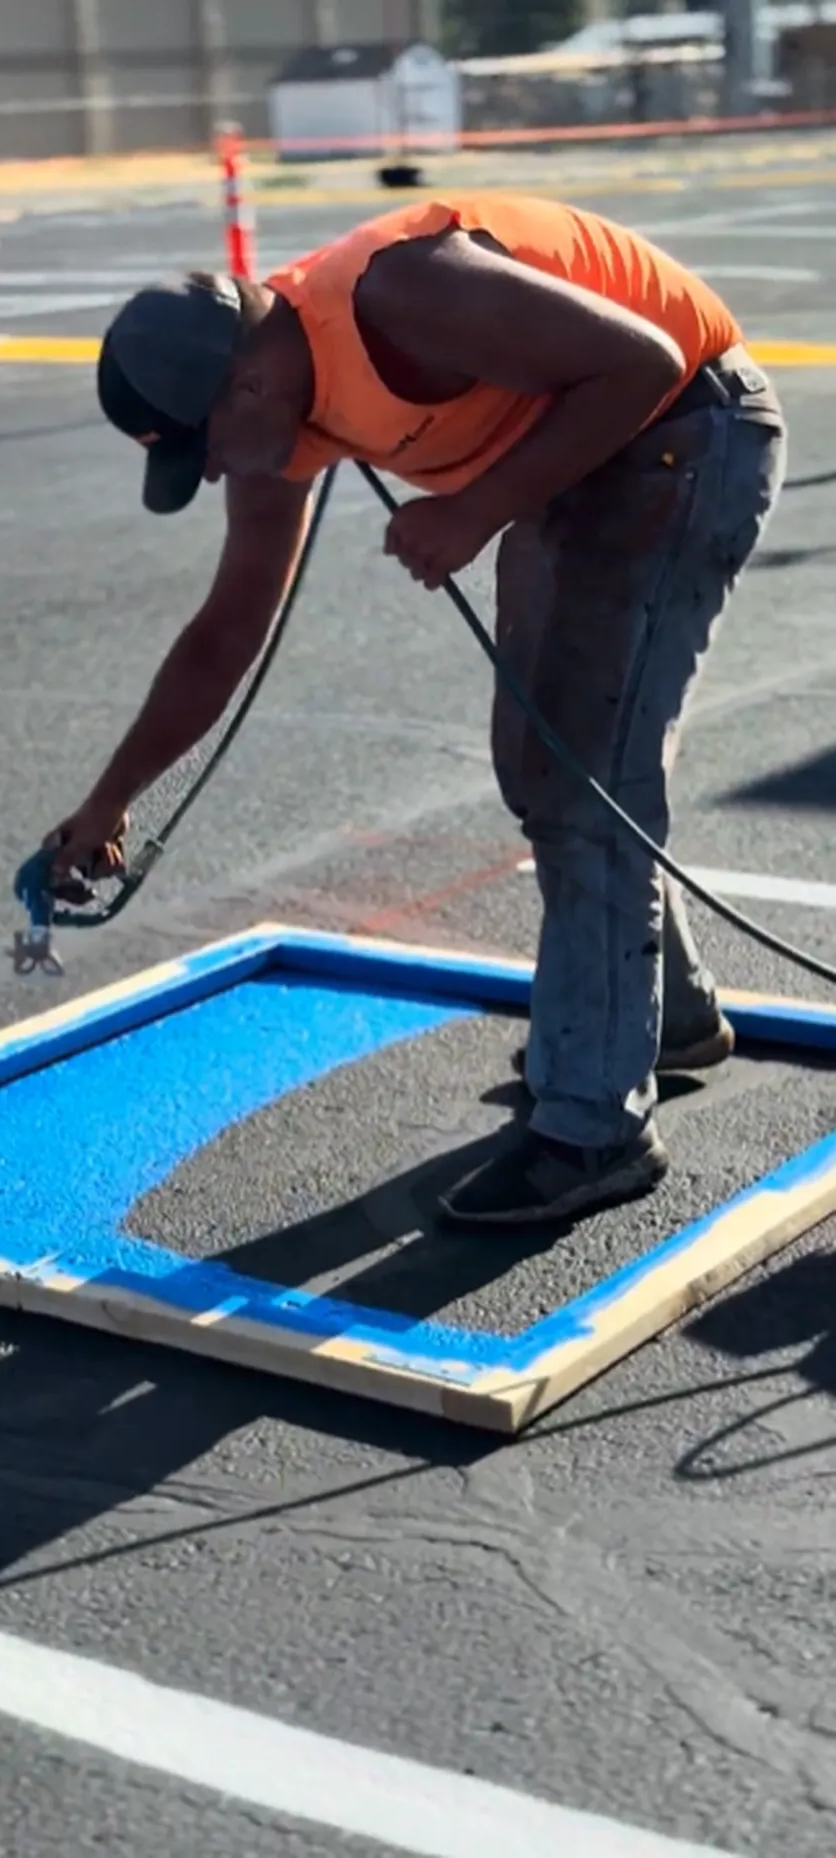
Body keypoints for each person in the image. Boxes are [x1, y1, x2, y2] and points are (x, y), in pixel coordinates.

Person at [43, 191, 787, 1229]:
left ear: (246, 381)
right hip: (578, 457)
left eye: (200, 447)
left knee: (581, 775)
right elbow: (224, 632)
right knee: (544, 764)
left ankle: (592, 1130)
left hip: (684, 432)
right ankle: (661, 1020)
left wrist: (475, 510)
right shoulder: (277, 423)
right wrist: (109, 801)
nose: (209, 471)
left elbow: (645, 361)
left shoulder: (402, 293)